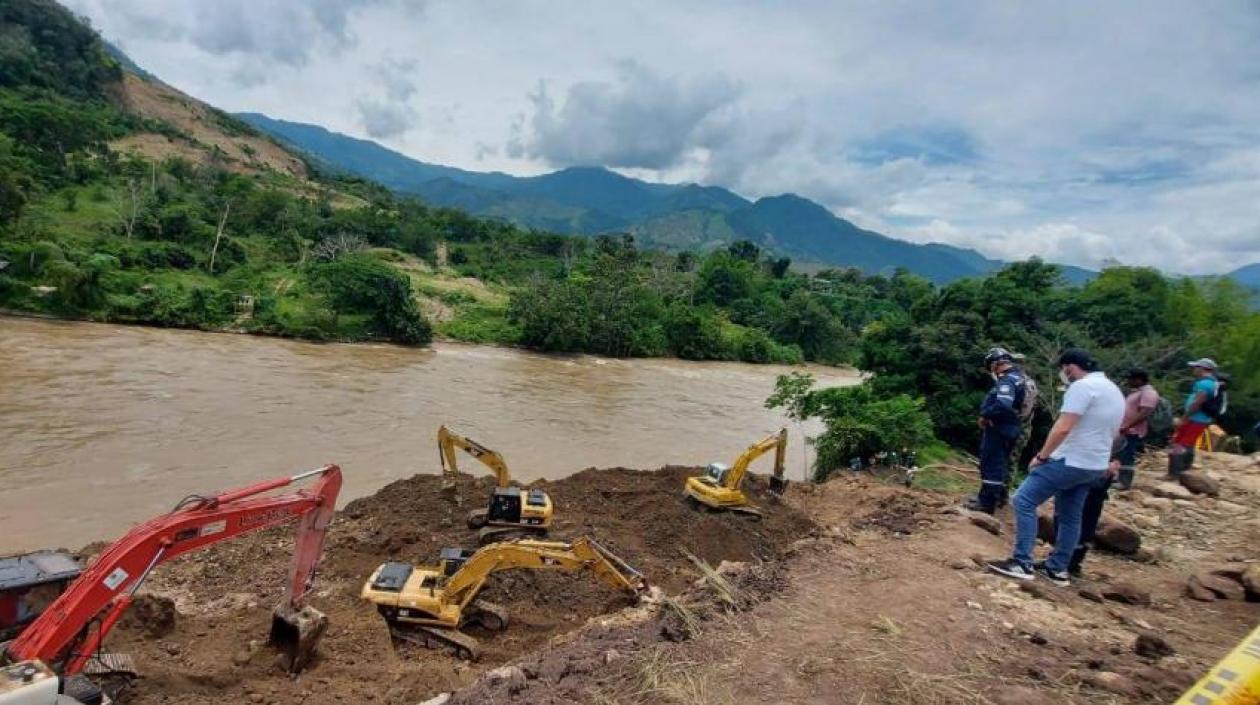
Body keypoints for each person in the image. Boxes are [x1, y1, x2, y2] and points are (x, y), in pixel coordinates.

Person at [987, 348, 1125, 586]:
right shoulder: (1114, 390)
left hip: (1071, 459)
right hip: (1094, 464)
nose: (1064, 374)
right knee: (1071, 515)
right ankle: (1058, 569)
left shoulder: (1082, 387)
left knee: (1023, 500)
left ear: (1070, 367)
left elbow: (1063, 427)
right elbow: (1114, 433)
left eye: (1064, 369)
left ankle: (1021, 562)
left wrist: (1042, 457)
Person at [965, 347, 1029, 514]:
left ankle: (986, 503)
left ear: (995, 364)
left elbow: (1003, 404)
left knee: (991, 463)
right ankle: (990, 497)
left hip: (999, 428)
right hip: (1010, 428)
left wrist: (986, 415)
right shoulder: (1019, 378)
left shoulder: (1008, 381)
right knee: (998, 464)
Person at [1168, 358, 1219, 478]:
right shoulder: (1212, 383)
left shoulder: (1204, 384)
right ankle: (1184, 472)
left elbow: (1197, 403)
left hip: (1195, 419)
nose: (1193, 370)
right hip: (1200, 419)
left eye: (1196, 367)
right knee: (1187, 444)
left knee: (1181, 444)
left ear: (1203, 369)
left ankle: (1176, 473)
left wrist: (1184, 418)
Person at [1117, 369, 1159, 489]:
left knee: (1127, 455)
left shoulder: (1148, 393)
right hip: (1127, 429)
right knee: (1122, 454)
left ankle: (1125, 481)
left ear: (1139, 380)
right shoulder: (1138, 392)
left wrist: (1128, 425)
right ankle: (1120, 477)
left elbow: (1145, 412)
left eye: (1131, 379)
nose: (1128, 381)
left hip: (1133, 430)